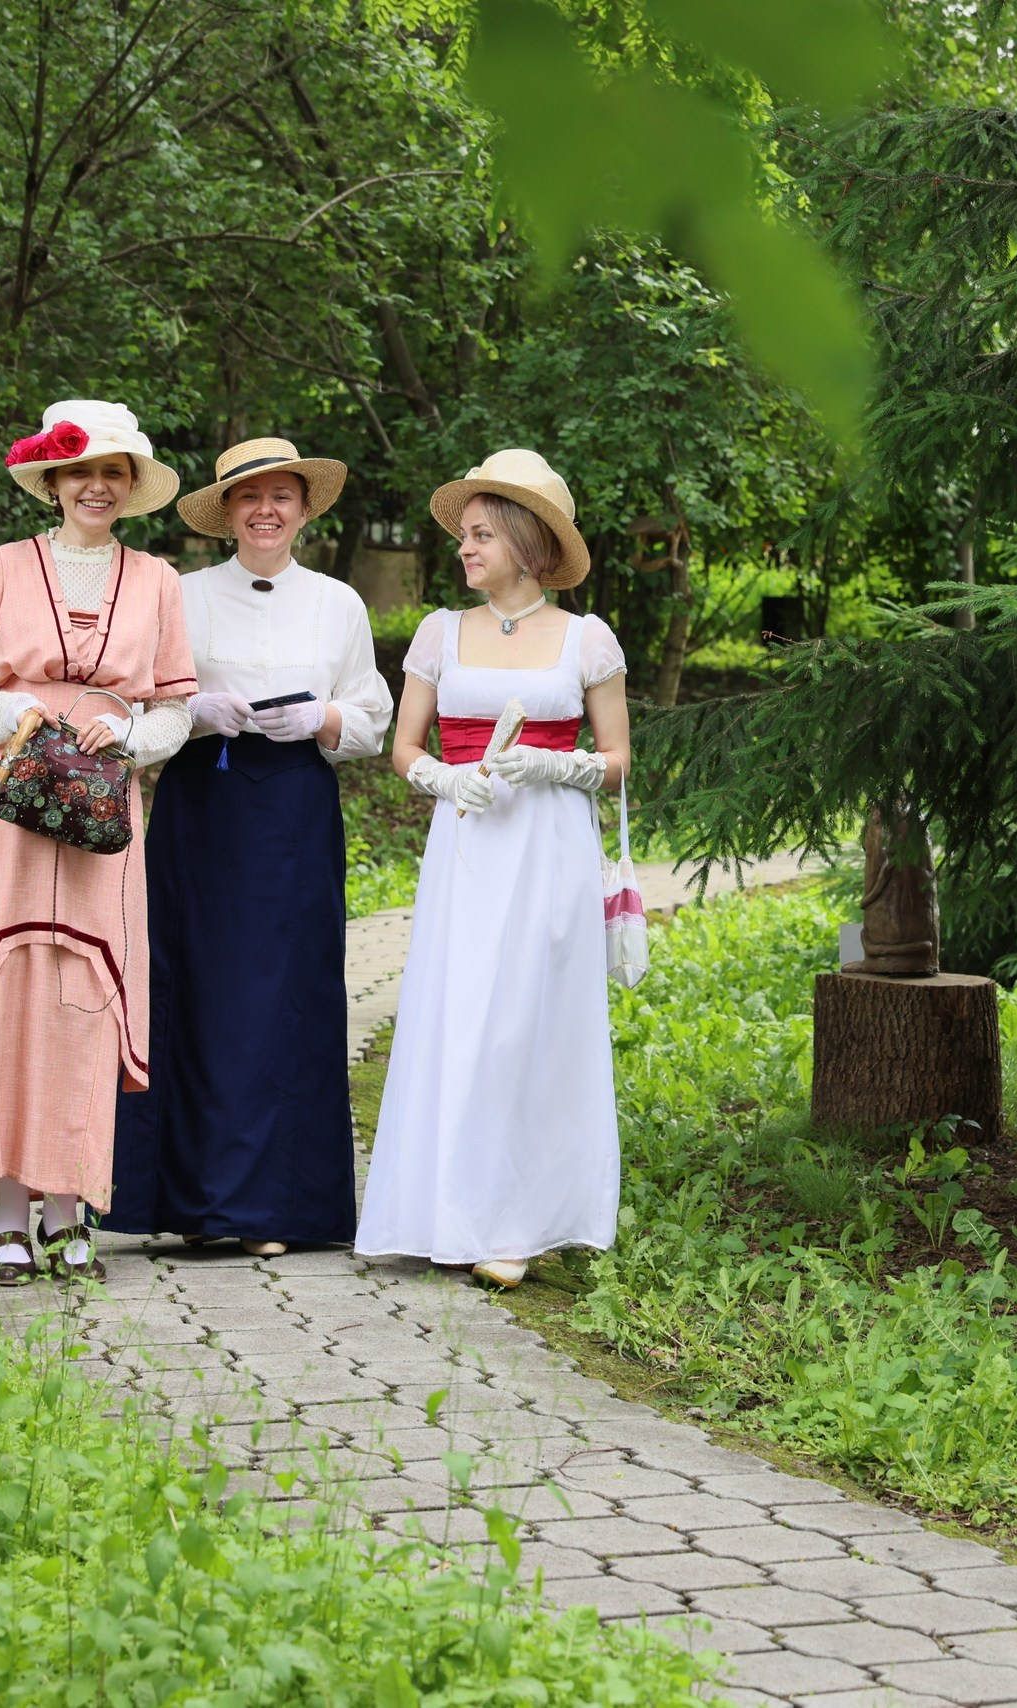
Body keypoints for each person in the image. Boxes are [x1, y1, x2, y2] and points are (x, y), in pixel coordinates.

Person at [0, 398, 198, 1284]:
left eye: (114, 472)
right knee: (7, 982)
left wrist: (131, 734)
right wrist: (17, 713)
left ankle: (71, 1210)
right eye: (82, 471)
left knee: (83, 989)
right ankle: (3, 1216)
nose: (96, 486)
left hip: (103, 807)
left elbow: (176, 706)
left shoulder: (158, 583)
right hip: (9, 789)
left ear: (130, 485)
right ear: (54, 481)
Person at [106, 439, 391, 1255]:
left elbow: (369, 711)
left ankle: (279, 1211)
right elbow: (138, 699)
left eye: (282, 497)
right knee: (197, 988)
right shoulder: (181, 595)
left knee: (289, 996)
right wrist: (195, 713)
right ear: (226, 512)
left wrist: (323, 720)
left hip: (296, 811)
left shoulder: (338, 603)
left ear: (305, 508)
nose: (266, 510)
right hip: (204, 807)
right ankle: (198, 1204)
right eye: (249, 497)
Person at [354, 450, 630, 1288]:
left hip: (550, 848)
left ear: (524, 538)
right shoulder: (442, 632)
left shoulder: (588, 639)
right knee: (457, 1012)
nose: (464, 549)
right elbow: (403, 747)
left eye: (480, 534)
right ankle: (437, 1209)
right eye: (465, 535)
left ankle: (515, 1222)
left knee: (528, 1022)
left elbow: (618, 759)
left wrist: (561, 767)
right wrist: (443, 777)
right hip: (467, 843)